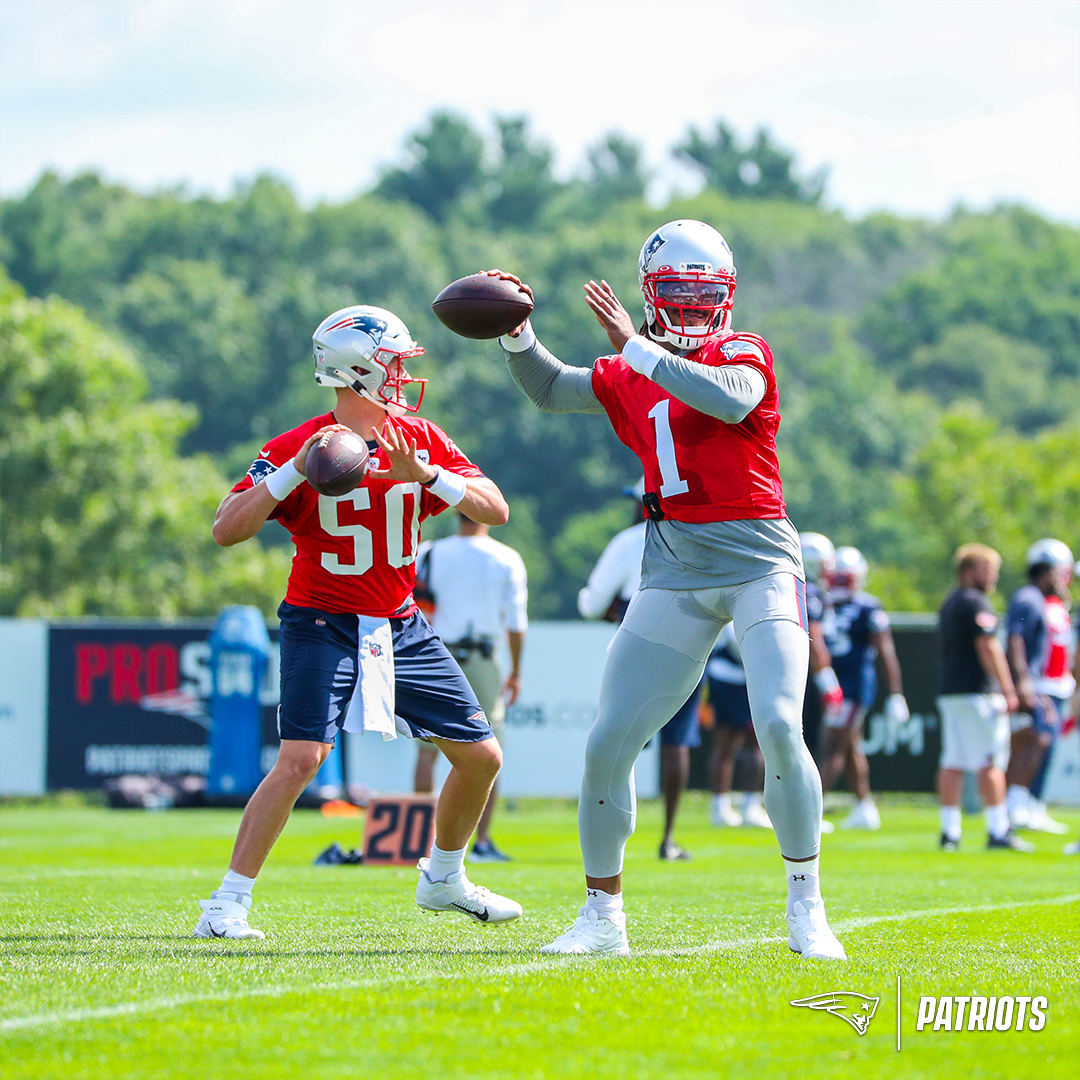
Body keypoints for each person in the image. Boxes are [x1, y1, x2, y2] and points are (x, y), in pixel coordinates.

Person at [492, 217, 845, 960]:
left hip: (758, 561)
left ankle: (807, 905)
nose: (690, 305)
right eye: (676, 291)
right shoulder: (629, 367)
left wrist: (637, 348)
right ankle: (602, 917)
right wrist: (517, 335)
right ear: (651, 293)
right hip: (674, 566)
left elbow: (731, 400)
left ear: (726, 295)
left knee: (780, 724)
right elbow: (552, 390)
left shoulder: (741, 351)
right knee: (607, 740)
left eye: (702, 291)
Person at [194, 305, 522, 939]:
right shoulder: (300, 445)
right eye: (393, 362)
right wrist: (293, 473)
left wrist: (426, 475)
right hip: (322, 619)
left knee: (482, 756)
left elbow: (496, 509)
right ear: (358, 369)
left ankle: (444, 877)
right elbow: (226, 529)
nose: (402, 374)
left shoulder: (420, 439)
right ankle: (227, 903)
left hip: (399, 621)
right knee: (302, 757)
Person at [578, 481, 705, 861]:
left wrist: (609, 610)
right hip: (692, 643)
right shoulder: (697, 537)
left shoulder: (629, 541)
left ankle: (612, 838)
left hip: (637, 645)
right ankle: (668, 838)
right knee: (676, 742)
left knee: (621, 739)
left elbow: (591, 604)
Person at [412, 510, 529, 862]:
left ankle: (421, 840)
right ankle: (481, 842)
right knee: (489, 749)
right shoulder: (506, 557)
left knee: (426, 750)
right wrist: (516, 671)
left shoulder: (430, 551)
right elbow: (516, 623)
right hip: (482, 655)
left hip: (436, 653)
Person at [936, 543, 1032, 852]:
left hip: (951, 692)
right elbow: (988, 646)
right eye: (988, 570)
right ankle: (998, 829)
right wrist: (1008, 688)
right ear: (969, 571)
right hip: (978, 693)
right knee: (990, 761)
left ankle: (950, 831)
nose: (993, 577)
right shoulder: (976, 601)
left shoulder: (950, 601)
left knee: (952, 761)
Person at [820, 546, 909, 831]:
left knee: (833, 746)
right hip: (835, 684)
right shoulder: (822, 603)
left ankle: (812, 811)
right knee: (849, 747)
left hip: (852, 686)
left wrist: (895, 694)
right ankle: (864, 807)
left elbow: (885, 651)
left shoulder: (867, 607)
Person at [1004, 539, 1074, 835]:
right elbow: (1015, 638)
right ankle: (1017, 804)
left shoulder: (1050, 603)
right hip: (1037, 685)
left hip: (1051, 686)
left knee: (1045, 744)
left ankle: (1030, 804)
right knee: (1036, 741)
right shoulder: (1029, 599)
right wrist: (1024, 682)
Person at [704, 623, 772, 829]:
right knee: (753, 744)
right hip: (742, 678)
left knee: (725, 745)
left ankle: (721, 807)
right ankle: (747, 806)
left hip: (720, 674)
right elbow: (738, 642)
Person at [799, 532, 839, 833]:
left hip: (795, 673)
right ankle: (805, 815)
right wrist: (827, 679)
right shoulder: (810, 592)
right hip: (806, 677)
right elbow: (814, 636)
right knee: (810, 746)